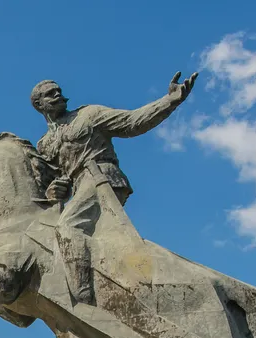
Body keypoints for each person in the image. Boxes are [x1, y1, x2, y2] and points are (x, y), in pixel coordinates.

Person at [31, 73, 197, 304]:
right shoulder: (44, 144)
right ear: (38, 104)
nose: (58, 94)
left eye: (58, 90)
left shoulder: (88, 114)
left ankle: (83, 300)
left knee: (68, 227)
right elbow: (56, 180)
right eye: (50, 94)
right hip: (80, 188)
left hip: (102, 177)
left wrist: (170, 101)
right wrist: (55, 190)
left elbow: (132, 122)